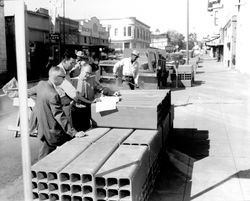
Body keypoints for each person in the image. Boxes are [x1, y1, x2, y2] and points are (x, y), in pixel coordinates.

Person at [28, 66, 86, 159]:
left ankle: (39, 171)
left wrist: (41, 103)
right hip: (52, 132)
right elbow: (59, 115)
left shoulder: (41, 84)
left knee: (44, 156)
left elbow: (29, 92)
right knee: (71, 147)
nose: (64, 79)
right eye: (63, 77)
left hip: (43, 129)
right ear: (56, 77)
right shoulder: (53, 95)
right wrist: (74, 132)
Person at [72, 63, 120, 131]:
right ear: (81, 71)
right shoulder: (73, 82)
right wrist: (91, 101)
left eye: (90, 73)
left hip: (88, 109)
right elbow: (77, 97)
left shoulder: (91, 80)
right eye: (87, 73)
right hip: (77, 111)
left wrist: (113, 93)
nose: (88, 75)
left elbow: (101, 88)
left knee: (88, 129)